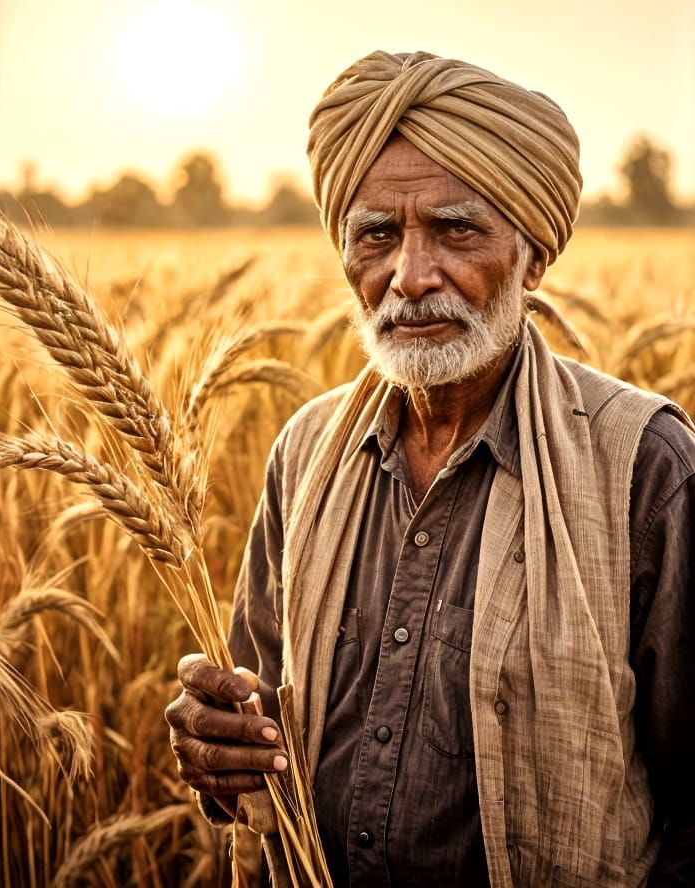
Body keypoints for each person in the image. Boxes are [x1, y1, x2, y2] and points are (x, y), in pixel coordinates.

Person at [165, 51, 695, 887]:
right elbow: (259, 724)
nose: (409, 278)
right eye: (377, 234)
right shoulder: (304, 454)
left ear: (534, 256)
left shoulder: (644, 468)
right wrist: (217, 747)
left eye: (456, 230)